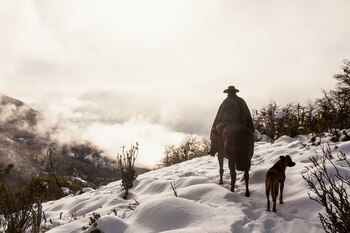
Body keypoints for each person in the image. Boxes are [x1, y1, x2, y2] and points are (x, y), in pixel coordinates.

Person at [209, 85, 254, 156]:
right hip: (242, 123)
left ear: (228, 93)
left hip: (227, 124)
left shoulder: (225, 101)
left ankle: (213, 150)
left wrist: (216, 124)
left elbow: (219, 116)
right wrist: (251, 127)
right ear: (235, 92)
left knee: (214, 131)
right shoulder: (241, 100)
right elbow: (247, 113)